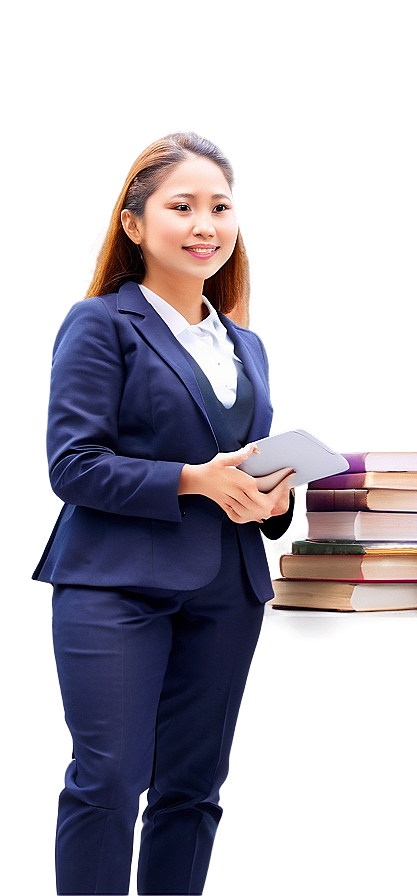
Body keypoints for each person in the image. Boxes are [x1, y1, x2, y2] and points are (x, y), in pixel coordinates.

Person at [33, 131, 295, 894]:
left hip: (226, 590)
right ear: (135, 225)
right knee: (108, 783)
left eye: (219, 206)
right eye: (181, 206)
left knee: (192, 791)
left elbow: (239, 467)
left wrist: (271, 498)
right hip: (115, 586)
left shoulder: (247, 346)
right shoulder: (101, 325)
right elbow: (72, 466)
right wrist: (193, 480)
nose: (204, 223)